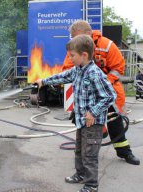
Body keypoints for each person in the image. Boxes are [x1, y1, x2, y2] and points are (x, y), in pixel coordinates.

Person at [35, 34, 116, 192]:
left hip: (93, 124)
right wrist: (43, 81)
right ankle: (80, 175)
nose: (69, 58)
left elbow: (110, 96)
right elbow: (62, 76)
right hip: (81, 121)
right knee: (79, 150)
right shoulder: (77, 70)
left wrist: (92, 112)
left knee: (89, 155)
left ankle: (92, 185)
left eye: (72, 55)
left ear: (84, 55)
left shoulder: (94, 73)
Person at [62, 20, 140, 166]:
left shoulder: (107, 45)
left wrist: (103, 82)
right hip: (86, 94)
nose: (73, 40)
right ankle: (86, 152)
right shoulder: (75, 48)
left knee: (115, 121)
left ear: (88, 34)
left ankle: (124, 152)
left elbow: (118, 67)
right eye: (72, 38)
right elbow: (67, 68)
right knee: (84, 122)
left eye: (75, 37)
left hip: (108, 91)